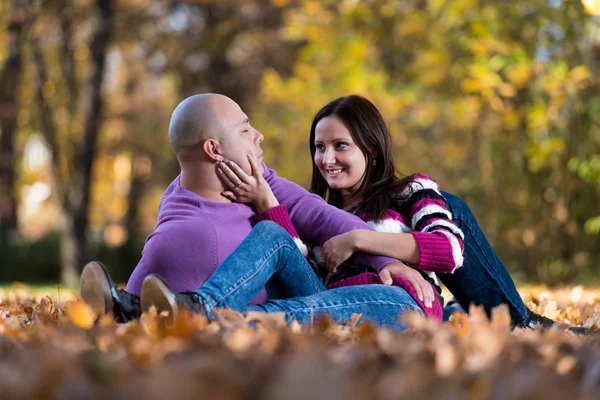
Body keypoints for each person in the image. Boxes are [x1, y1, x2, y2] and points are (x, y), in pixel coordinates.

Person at [80, 93, 436, 330]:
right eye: (246, 128)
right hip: (337, 300)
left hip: (371, 300)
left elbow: (320, 215)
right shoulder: (187, 224)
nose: (259, 135)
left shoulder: (252, 180)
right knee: (392, 301)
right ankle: (205, 316)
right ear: (214, 149)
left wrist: (386, 260)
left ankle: (201, 313)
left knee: (280, 249)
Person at [303, 94, 586, 332]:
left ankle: (517, 321)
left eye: (340, 145)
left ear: (372, 150)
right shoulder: (315, 214)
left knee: (452, 205)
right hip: (348, 317)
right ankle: (463, 313)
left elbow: (448, 250)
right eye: (319, 147)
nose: (327, 159)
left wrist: (357, 239)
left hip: (406, 310)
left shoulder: (409, 192)